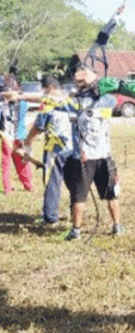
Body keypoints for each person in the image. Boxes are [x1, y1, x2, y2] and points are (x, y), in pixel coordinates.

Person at [64, 69, 124, 240]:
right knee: (79, 195)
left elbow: (109, 106)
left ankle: (117, 226)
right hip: (84, 156)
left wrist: (91, 109)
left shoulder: (104, 100)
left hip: (102, 155)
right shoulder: (76, 100)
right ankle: (76, 230)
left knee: (110, 193)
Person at [22, 75, 73, 225]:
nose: (42, 92)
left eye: (43, 88)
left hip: (54, 146)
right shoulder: (70, 100)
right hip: (73, 146)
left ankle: (50, 217)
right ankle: (76, 212)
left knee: (52, 181)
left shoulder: (48, 102)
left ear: (49, 87)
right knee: (73, 180)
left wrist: (27, 142)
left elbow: (38, 126)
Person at [0, 74, 34, 195]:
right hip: (8, 137)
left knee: (22, 163)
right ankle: (8, 188)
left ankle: (28, 185)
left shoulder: (22, 103)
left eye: (13, 87)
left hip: (19, 137)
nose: (10, 90)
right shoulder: (3, 104)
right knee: (6, 163)